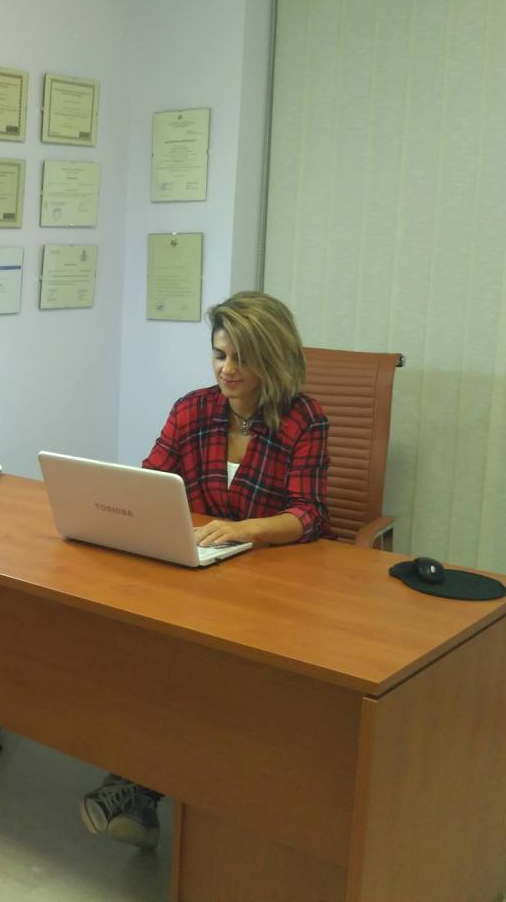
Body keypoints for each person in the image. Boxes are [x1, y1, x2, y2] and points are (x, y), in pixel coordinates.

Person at [81, 290, 331, 848]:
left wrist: (246, 529)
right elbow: (151, 481)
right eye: (220, 355)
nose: (227, 369)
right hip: (196, 569)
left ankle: (144, 791)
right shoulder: (192, 409)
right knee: (146, 654)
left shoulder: (304, 420)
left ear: (273, 359)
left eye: (242, 357)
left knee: (204, 680)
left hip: (271, 586)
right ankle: (141, 784)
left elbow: (309, 513)